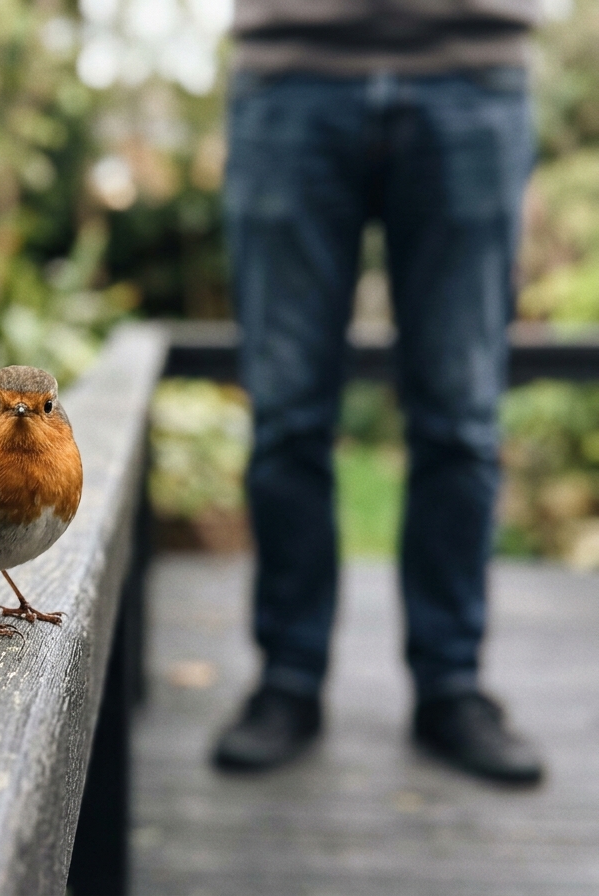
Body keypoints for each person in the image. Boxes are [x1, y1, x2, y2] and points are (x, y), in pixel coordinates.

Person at [213, 0, 544, 783]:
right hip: (290, 67)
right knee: (287, 415)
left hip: (473, 64)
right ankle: (288, 677)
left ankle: (451, 684)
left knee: (462, 417)